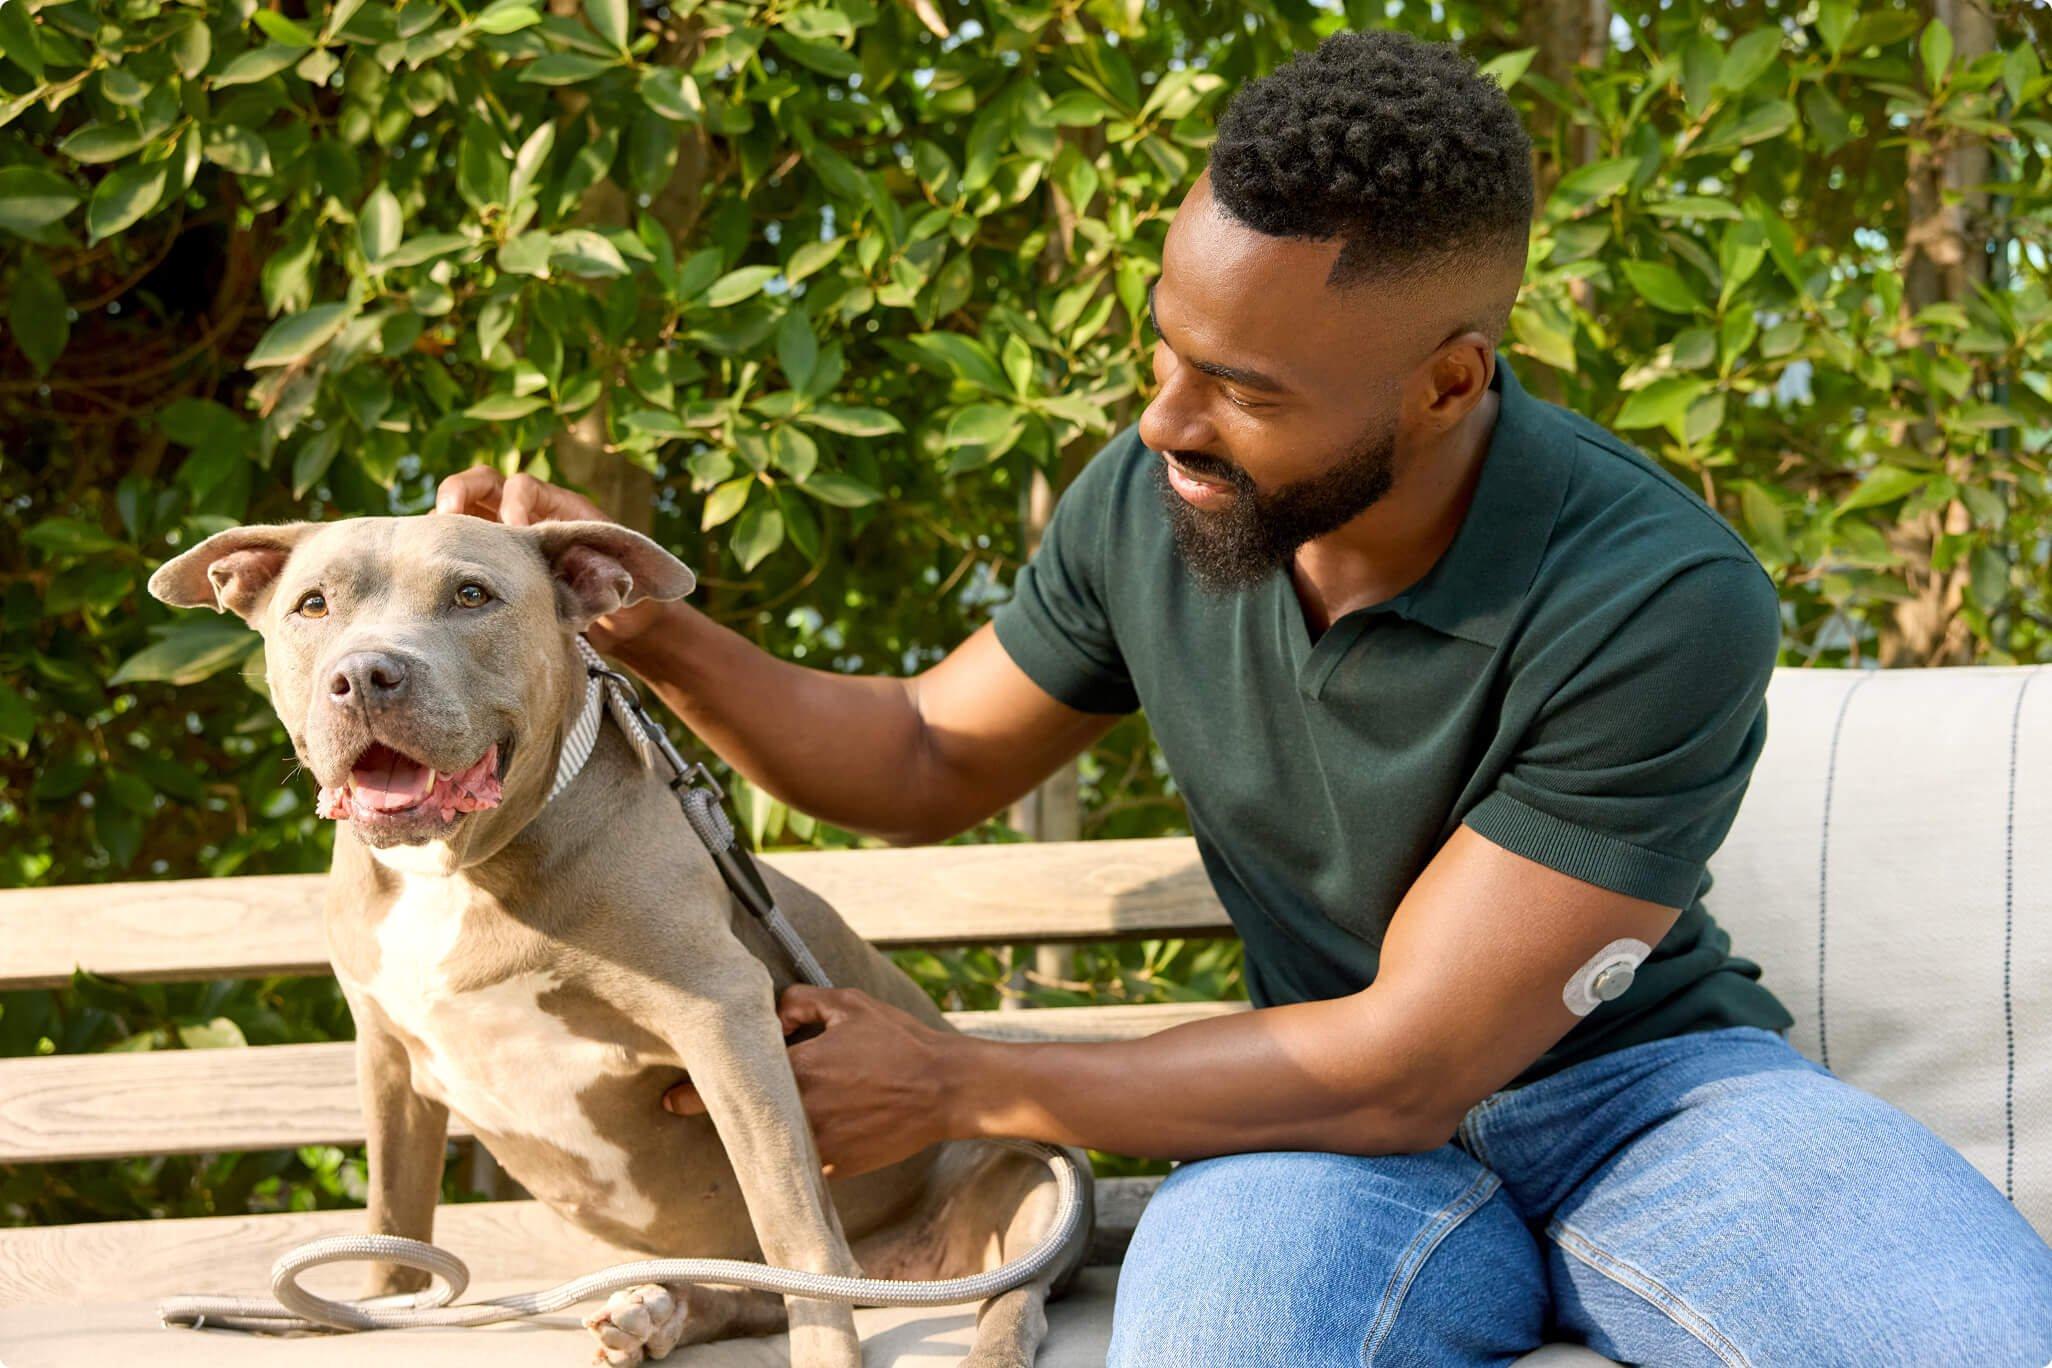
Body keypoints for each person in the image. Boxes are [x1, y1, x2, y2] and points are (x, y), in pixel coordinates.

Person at [437, 27, 2052, 1366]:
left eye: (1245, 391)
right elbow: (926, 753)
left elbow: (1414, 1059)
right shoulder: (1161, 501)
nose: (1166, 420)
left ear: (1449, 381)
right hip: (1309, 1144)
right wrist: (651, 629)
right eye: (1167, 350)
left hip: (1650, 1102)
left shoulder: (1657, 592)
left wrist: (956, 1081)